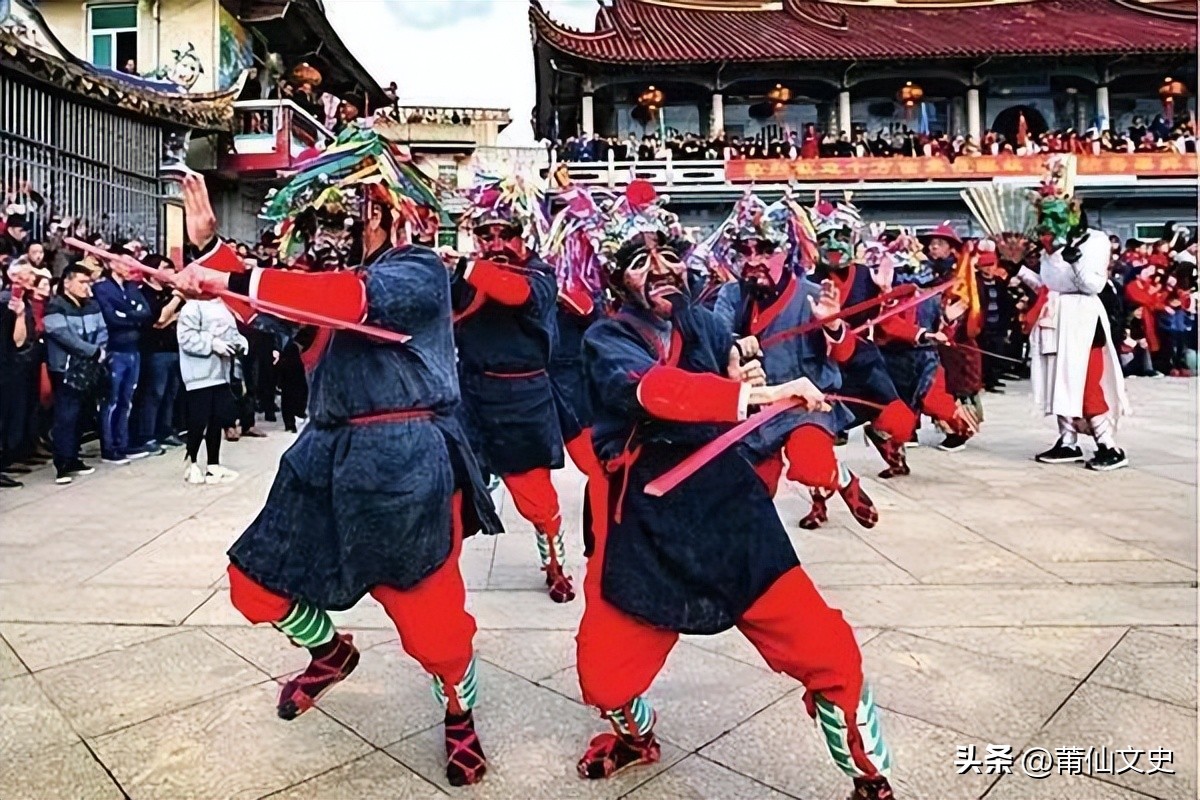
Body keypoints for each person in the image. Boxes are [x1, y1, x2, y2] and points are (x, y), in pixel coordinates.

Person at [170, 129, 500, 786]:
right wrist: (210, 254)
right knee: (254, 584)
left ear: (384, 212)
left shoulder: (418, 271)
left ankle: (459, 710)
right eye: (321, 213)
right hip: (324, 453)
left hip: (404, 463)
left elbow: (345, 301)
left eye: (345, 210)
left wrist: (232, 269)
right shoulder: (317, 280)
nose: (329, 226)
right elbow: (263, 312)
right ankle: (330, 650)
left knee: (433, 633)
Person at [573, 187, 895, 800]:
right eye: (641, 262)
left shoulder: (700, 318)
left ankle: (867, 773)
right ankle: (637, 737)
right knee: (603, 676)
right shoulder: (605, 339)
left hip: (726, 507)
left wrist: (742, 365)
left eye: (667, 252)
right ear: (617, 281)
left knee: (825, 649)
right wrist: (753, 394)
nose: (663, 268)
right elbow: (650, 390)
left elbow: (726, 350)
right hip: (645, 517)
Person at [711, 192, 878, 531]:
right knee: (749, 496)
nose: (753, 259)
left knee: (812, 466)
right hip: (756, 410)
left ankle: (843, 479)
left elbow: (845, 354)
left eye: (765, 250)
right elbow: (716, 339)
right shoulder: (731, 295)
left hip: (805, 405)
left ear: (786, 251)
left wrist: (832, 325)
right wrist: (734, 347)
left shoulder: (813, 295)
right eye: (745, 251)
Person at [448, 174, 572, 603]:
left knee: (536, 500)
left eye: (506, 234)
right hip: (469, 396)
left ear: (523, 237)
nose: (496, 242)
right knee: (451, 491)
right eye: (486, 234)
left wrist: (468, 267)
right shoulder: (465, 277)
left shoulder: (539, 274)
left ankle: (554, 564)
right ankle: (440, 578)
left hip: (522, 401)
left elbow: (516, 294)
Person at [1014, 156, 1130, 470]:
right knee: (1058, 381)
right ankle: (1067, 441)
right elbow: (1048, 284)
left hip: (1083, 317)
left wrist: (1074, 258)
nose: (1046, 227)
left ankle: (1108, 444)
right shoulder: (1049, 249)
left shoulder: (1095, 240)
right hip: (1055, 318)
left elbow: (1093, 284)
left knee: (1086, 381)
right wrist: (1018, 269)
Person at [809, 200, 917, 478]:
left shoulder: (868, 277)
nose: (834, 245)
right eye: (825, 239)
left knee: (896, 416)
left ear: (854, 239)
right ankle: (824, 491)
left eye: (842, 237)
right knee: (816, 432)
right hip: (827, 365)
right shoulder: (808, 281)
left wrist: (886, 294)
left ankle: (891, 450)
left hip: (865, 361)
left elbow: (888, 321)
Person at [43, 264, 106, 484]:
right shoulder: (56, 306)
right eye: (81, 282)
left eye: (88, 282)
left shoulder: (92, 305)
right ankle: (62, 464)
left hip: (89, 368)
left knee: (81, 415)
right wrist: (91, 351)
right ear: (67, 283)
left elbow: (102, 331)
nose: (85, 287)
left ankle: (74, 458)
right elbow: (62, 335)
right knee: (65, 416)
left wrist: (98, 350)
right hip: (65, 368)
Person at [92, 252, 154, 463]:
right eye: (124, 262)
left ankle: (123, 442)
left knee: (127, 399)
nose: (129, 267)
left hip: (133, 348)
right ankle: (109, 447)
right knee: (112, 400)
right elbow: (111, 317)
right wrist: (132, 314)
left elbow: (146, 312)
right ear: (111, 263)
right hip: (114, 348)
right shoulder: (102, 288)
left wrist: (126, 314)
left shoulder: (132, 287)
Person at [177, 294, 245, 484]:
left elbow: (232, 332)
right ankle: (191, 463)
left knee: (217, 418)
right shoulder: (192, 307)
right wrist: (212, 344)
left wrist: (239, 344)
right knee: (199, 420)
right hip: (198, 374)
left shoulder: (222, 304)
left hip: (220, 373)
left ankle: (213, 464)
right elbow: (186, 337)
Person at [130, 254, 185, 453]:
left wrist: (172, 315)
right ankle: (147, 434)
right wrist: (177, 299)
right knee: (154, 393)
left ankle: (166, 430)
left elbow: (179, 316)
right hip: (155, 350)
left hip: (174, 348)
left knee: (171, 393)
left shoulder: (169, 292)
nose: (171, 273)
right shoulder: (145, 293)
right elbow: (159, 320)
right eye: (165, 268)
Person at [0, 263, 37, 487]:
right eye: (27, 275)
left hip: (10, 365)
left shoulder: (15, 303)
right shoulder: (5, 301)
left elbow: (19, 340)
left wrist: (21, 314)